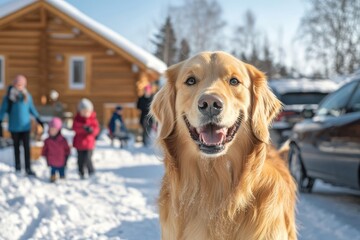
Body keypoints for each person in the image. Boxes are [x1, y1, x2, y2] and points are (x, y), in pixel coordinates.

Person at [0, 75, 43, 176]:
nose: (19, 86)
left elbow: (31, 109)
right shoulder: (9, 97)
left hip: (25, 127)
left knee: (27, 148)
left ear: (24, 85)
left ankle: (28, 168)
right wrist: (0, 120)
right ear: (14, 84)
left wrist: (38, 118)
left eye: (21, 84)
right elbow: (3, 110)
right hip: (14, 127)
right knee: (16, 148)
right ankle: (18, 167)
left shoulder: (27, 96)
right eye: (17, 84)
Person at [72, 98, 99, 179]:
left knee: (88, 158)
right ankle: (81, 172)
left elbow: (96, 130)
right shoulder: (77, 119)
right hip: (79, 144)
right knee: (80, 159)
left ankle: (91, 172)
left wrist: (91, 130)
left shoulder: (93, 120)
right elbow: (75, 128)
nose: (85, 113)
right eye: (83, 111)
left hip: (89, 144)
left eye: (87, 111)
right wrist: (83, 128)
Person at [41, 117, 70, 183]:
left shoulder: (63, 140)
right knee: (53, 170)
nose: (52, 131)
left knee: (61, 171)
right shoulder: (47, 141)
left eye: (54, 129)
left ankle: (62, 178)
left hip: (61, 160)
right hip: (52, 160)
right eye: (51, 129)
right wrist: (44, 155)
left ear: (58, 130)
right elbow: (45, 149)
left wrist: (67, 156)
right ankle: (52, 178)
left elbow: (67, 149)